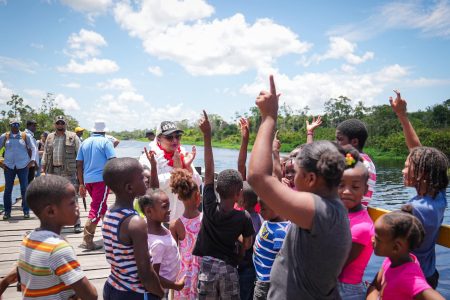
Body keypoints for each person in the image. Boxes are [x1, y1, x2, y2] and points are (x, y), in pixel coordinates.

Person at [247, 75, 351, 299]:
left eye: (297, 172)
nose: (291, 177)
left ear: (312, 179)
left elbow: (257, 177)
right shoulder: (329, 206)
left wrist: (269, 118)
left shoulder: (320, 210)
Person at [390, 90, 448, 288]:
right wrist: (402, 116)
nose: (403, 170)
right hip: (429, 274)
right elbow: (417, 151)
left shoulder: (417, 209)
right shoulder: (438, 197)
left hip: (411, 279)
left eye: (407, 167)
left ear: (422, 173)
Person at [193, 111, 254, 299]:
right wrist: (240, 249)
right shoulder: (243, 217)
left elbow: (209, 170)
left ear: (216, 189)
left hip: (208, 269)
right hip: (229, 268)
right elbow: (249, 242)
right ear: (238, 194)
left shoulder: (210, 206)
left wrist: (207, 135)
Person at [17, 175, 97, 299]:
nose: (77, 206)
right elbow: (90, 295)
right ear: (50, 211)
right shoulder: (58, 249)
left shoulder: (28, 238)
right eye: (72, 203)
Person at [102, 157, 164, 299]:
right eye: (142, 178)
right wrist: (161, 293)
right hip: (135, 293)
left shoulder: (110, 212)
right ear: (129, 188)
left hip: (113, 287)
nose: (145, 180)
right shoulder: (136, 223)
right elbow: (145, 273)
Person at [367, 212, 444, 300]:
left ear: (396, 247)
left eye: (377, 238)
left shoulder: (409, 277)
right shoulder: (390, 260)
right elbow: (374, 286)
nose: (372, 239)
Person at [139, 121, 201, 222]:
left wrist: (188, 167)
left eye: (178, 136)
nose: (175, 140)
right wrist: (176, 172)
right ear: (159, 138)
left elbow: (198, 183)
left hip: (184, 217)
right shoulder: (147, 158)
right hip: (160, 220)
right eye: (169, 137)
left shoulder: (183, 155)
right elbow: (148, 188)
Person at [337, 147, 374, 300]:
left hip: (346, 290)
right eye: (341, 185)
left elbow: (339, 265)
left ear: (365, 190)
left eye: (355, 187)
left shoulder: (362, 227)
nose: (346, 191)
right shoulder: (341, 214)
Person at [77, 120, 116, 250]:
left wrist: (81, 183)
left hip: (88, 180)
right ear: (104, 131)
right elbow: (112, 161)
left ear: (92, 131)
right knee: (97, 208)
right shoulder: (106, 142)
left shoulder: (84, 143)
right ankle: (87, 239)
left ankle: (109, 233)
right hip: (101, 180)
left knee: (101, 205)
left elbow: (79, 164)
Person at [139, 190, 185, 297]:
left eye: (168, 206)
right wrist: (176, 286)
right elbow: (154, 276)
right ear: (149, 211)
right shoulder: (158, 244)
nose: (169, 210)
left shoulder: (156, 225)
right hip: (158, 291)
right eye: (164, 207)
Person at [41, 115, 81, 232]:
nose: (60, 125)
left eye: (62, 123)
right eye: (58, 123)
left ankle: (77, 222)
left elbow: (80, 155)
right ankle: (56, 223)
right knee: (53, 198)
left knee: (73, 197)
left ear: (65, 124)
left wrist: (81, 174)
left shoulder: (73, 137)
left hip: (69, 171)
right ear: (55, 124)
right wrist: (43, 169)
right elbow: (45, 155)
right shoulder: (49, 137)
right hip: (53, 171)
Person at [169, 168, 202, 300]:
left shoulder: (175, 224)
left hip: (183, 274)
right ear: (198, 196)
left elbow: (173, 255)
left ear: (179, 197)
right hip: (201, 270)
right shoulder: (206, 220)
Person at [252, 199, 290, 300]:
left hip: (266, 282)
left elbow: (281, 259)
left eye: (263, 209)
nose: (260, 212)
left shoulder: (279, 232)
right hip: (260, 276)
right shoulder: (268, 222)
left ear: (276, 208)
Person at [0, 118, 36, 220]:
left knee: (24, 189)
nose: (15, 126)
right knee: (8, 190)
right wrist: (0, 163)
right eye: (13, 124)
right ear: (10, 125)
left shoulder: (25, 136)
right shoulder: (5, 136)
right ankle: (7, 212)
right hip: (9, 166)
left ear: (19, 125)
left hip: (23, 166)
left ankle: (26, 211)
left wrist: (32, 160)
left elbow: (33, 148)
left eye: (17, 124)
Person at [335, 119, 376, 206]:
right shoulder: (367, 161)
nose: (336, 143)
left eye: (340, 139)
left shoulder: (356, 163)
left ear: (354, 142)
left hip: (349, 212)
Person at [238, 182, 263, 300]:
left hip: (245, 265)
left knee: (244, 294)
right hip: (256, 265)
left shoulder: (245, 219)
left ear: (243, 202)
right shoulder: (260, 218)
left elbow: (246, 243)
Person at [24, 120, 39, 184]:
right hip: (30, 164)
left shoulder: (30, 135)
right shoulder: (28, 135)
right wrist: (34, 162)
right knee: (28, 183)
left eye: (36, 125)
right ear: (28, 126)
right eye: (34, 125)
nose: (35, 127)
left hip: (30, 164)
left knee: (28, 183)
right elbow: (29, 150)